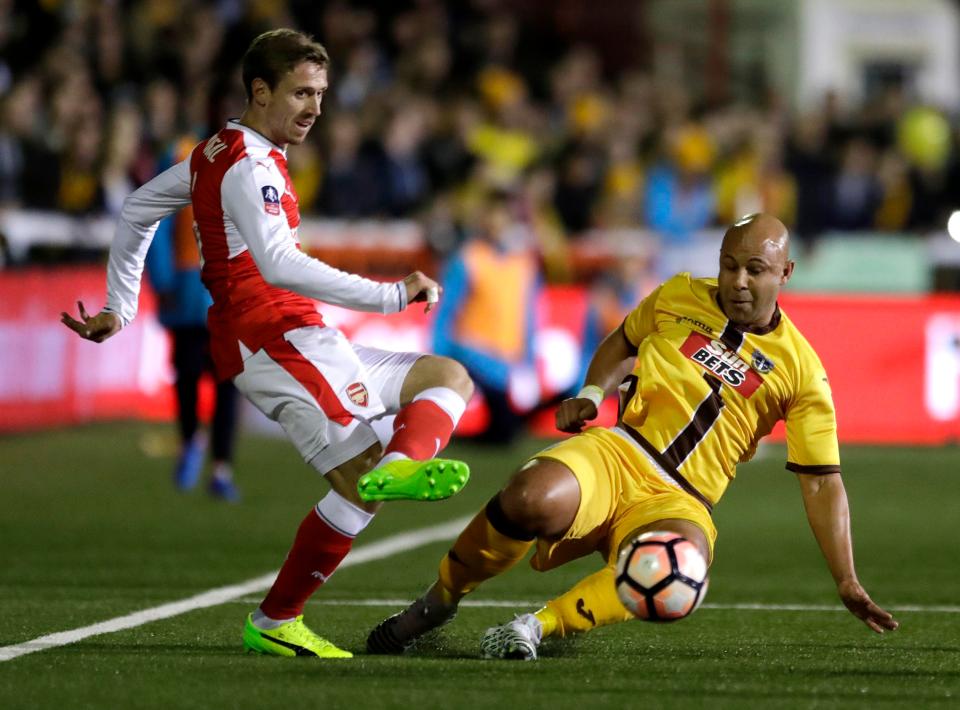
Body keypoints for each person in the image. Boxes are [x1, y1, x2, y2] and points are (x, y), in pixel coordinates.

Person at [61, 29, 474, 659]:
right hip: (268, 336)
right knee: (360, 479)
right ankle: (283, 611)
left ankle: (390, 478)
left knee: (446, 377)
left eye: (321, 94)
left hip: (298, 330)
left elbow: (140, 206)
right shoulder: (250, 164)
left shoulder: (217, 152)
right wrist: (390, 295)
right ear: (260, 91)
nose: (314, 108)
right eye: (301, 93)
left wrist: (121, 305)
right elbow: (279, 264)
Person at [366, 213, 899, 660]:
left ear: (786, 272)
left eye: (754, 270)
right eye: (729, 265)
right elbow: (622, 341)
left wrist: (846, 579)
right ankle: (439, 600)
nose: (737, 281)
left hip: (682, 498)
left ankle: (537, 627)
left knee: (681, 564)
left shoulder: (804, 371)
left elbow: (822, 483)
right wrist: (594, 393)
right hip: (619, 452)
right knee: (527, 498)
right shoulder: (678, 296)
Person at [144, 133, 240, 501]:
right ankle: (191, 443)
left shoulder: (242, 162)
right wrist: (164, 279)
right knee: (188, 376)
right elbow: (158, 224)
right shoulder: (182, 156)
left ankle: (220, 468)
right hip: (188, 295)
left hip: (223, 297)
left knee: (227, 384)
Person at [431, 188, 540, 444]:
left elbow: (529, 315)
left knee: (507, 429)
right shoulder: (468, 258)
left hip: (508, 359)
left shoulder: (523, 263)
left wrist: (529, 360)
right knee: (504, 430)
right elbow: (446, 310)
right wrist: (438, 352)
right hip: (473, 353)